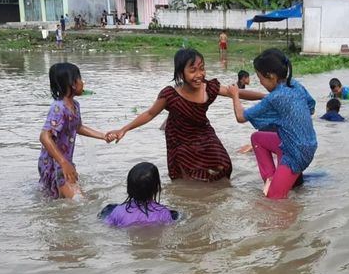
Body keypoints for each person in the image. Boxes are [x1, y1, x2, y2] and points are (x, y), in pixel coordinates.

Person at [107, 48, 264, 182]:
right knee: (186, 177)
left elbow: (237, 93)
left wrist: (265, 96)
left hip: (204, 133)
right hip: (179, 140)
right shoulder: (170, 95)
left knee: (223, 165)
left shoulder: (209, 87)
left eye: (201, 68)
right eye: (192, 70)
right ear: (181, 73)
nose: (199, 74)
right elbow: (149, 114)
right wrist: (124, 129)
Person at [227, 48, 317, 199]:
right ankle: (271, 178)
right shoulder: (295, 85)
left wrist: (235, 95)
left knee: (274, 203)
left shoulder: (274, 99)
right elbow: (311, 108)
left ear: (272, 76)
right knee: (257, 138)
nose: (261, 83)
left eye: (261, 79)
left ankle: (275, 187)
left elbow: (241, 117)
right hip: (308, 144)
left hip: (296, 154)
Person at [38, 63, 110, 199]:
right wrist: (64, 163)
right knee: (79, 200)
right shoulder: (58, 108)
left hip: (64, 160)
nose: (83, 83)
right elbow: (44, 136)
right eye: (80, 79)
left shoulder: (75, 105)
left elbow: (77, 127)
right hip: (55, 162)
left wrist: (103, 136)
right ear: (72, 84)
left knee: (66, 198)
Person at [99, 162, 179, 227]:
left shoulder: (118, 212)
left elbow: (107, 226)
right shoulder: (163, 213)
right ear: (156, 188)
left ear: (129, 188)